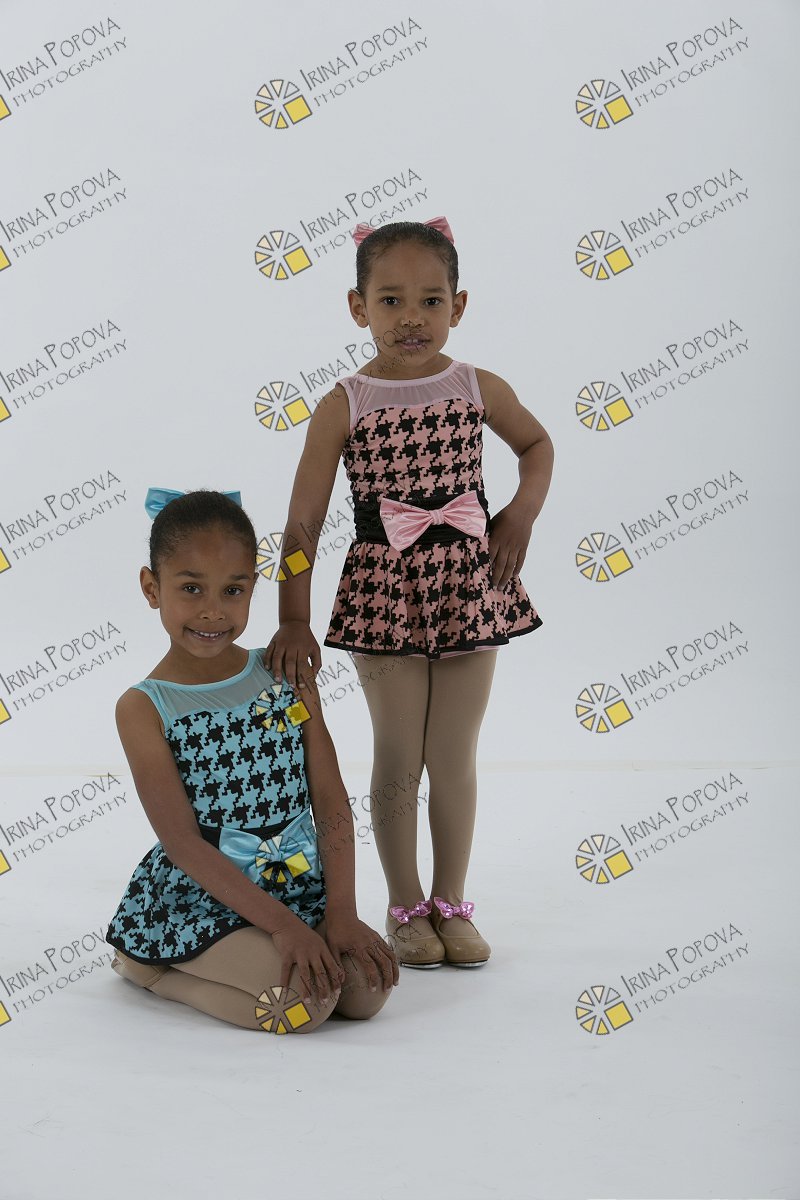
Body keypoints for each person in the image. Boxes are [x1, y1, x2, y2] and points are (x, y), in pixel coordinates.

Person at [266, 218, 554, 970]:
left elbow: (537, 445)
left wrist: (519, 513)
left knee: (453, 752)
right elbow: (302, 522)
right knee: (399, 753)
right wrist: (292, 618)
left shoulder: (476, 386)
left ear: (459, 305)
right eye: (390, 300)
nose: (411, 317)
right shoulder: (346, 402)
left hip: (469, 582)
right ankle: (404, 903)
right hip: (382, 592)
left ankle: (451, 901)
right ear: (357, 307)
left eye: (431, 300)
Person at [107, 489, 397, 1032]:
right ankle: (151, 970)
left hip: (296, 885)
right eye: (190, 588)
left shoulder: (283, 671)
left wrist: (341, 912)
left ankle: (290, 938)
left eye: (233, 589)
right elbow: (182, 842)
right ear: (151, 588)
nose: (213, 610)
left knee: (366, 993)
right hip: (205, 897)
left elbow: (329, 797)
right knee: (302, 1008)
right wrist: (283, 929)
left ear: (252, 588)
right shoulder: (146, 707)